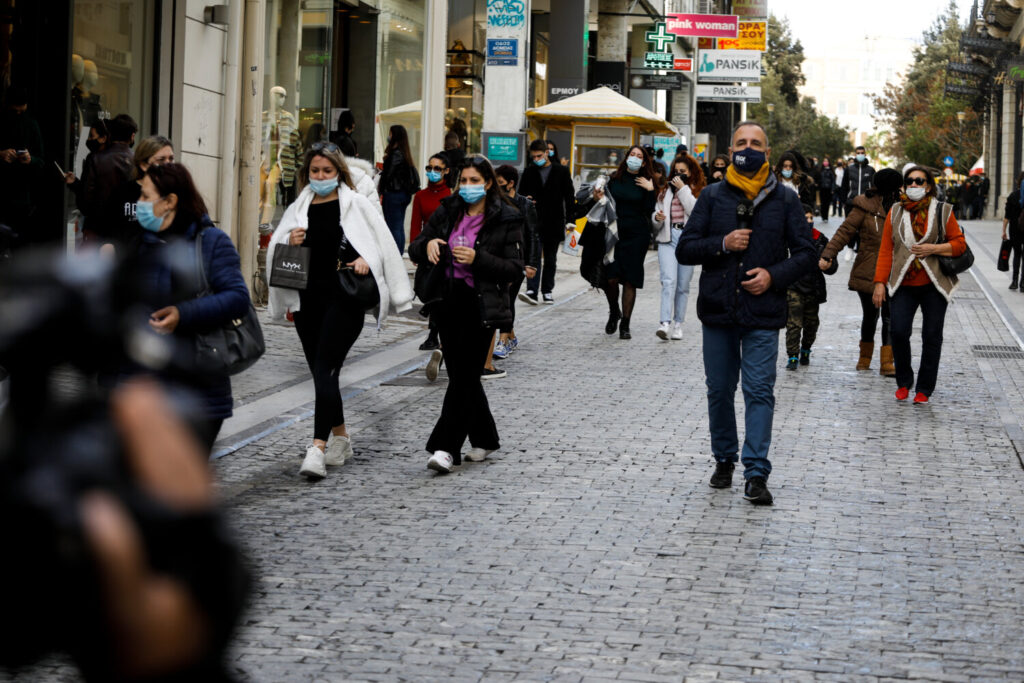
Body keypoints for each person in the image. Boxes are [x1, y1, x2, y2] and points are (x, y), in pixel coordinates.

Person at [677, 121, 817, 505]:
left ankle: (756, 472)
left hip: (764, 312)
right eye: (741, 142)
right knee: (719, 391)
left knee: (759, 392)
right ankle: (725, 458)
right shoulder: (712, 196)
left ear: (767, 153)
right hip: (719, 311)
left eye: (756, 143)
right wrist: (723, 243)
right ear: (731, 147)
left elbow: (807, 254)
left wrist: (773, 276)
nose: (748, 148)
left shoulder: (786, 200)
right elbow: (685, 249)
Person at [268, 142, 413, 479]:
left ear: (338, 172)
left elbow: (382, 245)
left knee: (323, 368)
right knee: (323, 374)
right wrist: (289, 241)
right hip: (307, 300)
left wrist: (366, 260)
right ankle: (341, 438)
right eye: (315, 171)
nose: (320, 177)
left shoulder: (356, 205)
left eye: (327, 171)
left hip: (344, 298)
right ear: (307, 173)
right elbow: (277, 247)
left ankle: (317, 448)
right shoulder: (298, 208)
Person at [408, 155, 524, 474]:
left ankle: (445, 448)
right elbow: (415, 246)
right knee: (463, 376)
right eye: (464, 181)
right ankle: (485, 438)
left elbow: (514, 268)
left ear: (488, 183)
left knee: (464, 376)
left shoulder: (507, 217)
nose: (468, 187)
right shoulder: (448, 210)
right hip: (447, 299)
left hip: (482, 303)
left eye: (475, 181)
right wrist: (429, 243)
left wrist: (478, 258)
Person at [130, 163, 251, 453]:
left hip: (199, 390)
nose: (139, 204)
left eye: (146, 197)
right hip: (147, 388)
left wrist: (183, 314)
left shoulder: (211, 242)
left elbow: (237, 297)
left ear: (170, 201)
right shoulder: (138, 245)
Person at [872, 166, 966, 404]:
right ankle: (904, 381)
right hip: (903, 283)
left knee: (932, 336)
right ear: (904, 186)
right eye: (910, 182)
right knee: (899, 332)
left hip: (934, 284)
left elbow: (959, 244)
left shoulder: (943, 211)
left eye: (919, 181)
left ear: (929, 186)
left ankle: (924, 388)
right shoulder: (895, 212)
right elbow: (886, 251)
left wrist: (934, 248)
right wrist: (879, 283)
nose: (914, 185)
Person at [820, 168, 902, 374]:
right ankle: (864, 357)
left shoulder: (904, 206)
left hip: (895, 269)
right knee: (871, 315)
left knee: (891, 316)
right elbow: (845, 231)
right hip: (868, 267)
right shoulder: (864, 204)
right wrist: (829, 253)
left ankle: (887, 362)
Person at [598, 145, 657, 340]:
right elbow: (604, 203)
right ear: (627, 157)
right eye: (633, 154)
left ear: (644, 161)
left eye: (639, 156)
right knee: (611, 278)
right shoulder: (615, 178)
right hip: (615, 233)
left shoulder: (646, 181)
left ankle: (625, 324)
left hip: (637, 234)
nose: (635, 158)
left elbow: (650, 210)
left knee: (630, 280)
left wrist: (650, 190)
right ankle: (614, 311)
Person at [651, 154, 702, 340]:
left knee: (682, 285)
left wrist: (683, 189)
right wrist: (656, 218)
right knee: (668, 281)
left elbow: (695, 212)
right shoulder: (665, 191)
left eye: (683, 172)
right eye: (676, 172)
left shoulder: (696, 190)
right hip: (668, 238)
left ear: (691, 173)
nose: (679, 175)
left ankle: (678, 324)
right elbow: (657, 212)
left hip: (687, 240)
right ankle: (664, 323)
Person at [518, 138, 575, 305]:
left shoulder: (561, 171)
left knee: (550, 258)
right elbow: (521, 194)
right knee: (533, 256)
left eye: (539, 156)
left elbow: (569, 197)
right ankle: (532, 290)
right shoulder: (529, 172)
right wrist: (526, 200)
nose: (536, 159)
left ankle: (547, 290)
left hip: (554, 220)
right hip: (533, 221)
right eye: (533, 157)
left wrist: (571, 220)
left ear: (547, 153)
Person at [493, 164, 540, 359]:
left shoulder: (525, 205)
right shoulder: (493, 202)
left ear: (511, 183)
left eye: (500, 183)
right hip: (496, 257)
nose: (496, 186)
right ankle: (510, 336)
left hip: (517, 259)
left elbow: (533, 236)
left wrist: (531, 263)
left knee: (507, 297)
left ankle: (503, 340)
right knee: (500, 298)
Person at [785, 204, 839, 369]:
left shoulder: (821, 239)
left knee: (811, 323)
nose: (808, 221)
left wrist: (828, 265)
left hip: (813, 288)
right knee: (794, 323)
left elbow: (833, 264)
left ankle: (806, 349)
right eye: (805, 218)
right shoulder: (788, 238)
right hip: (793, 287)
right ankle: (793, 356)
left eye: (810, 218)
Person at [411, 151, 452, 351]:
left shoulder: (450, 197)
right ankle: (434, 333)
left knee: (440, 292)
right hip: (426, 245)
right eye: (430, 168)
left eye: (437, 168)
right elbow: (415, 224)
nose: (433, 172)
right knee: (427, 291)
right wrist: (415, 249)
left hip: (443, 249)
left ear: (446, 171)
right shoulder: (420, 195)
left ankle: (434, 334)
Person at [104, 135, 174, 248]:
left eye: (171, 159)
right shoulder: (122, 192)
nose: (168, 164)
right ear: (143, 165)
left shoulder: (178, 194)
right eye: (161, 160)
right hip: (126, 263)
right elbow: (106, 233)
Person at [79, 114, 138, 245]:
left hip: (98, 230)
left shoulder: (96, 159)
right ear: (132, 136)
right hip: (128, 231)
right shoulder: (139, 161)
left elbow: (85, 201)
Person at [0, 85, 44, 248]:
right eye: (14, 111)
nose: (18, 114)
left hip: (24, 199)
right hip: (4, 196)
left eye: (22, 111)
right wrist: (1, 154)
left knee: (20, 247)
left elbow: (41, 161)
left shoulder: (31, 125)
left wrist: (30, 159)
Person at [378, 124, 420, 254]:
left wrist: (380, 190)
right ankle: (399, 255)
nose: (388, 137)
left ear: (395, 136)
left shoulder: (396, 154)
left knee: (393, 228)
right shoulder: (404, 153)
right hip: (403, 194)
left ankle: (395, 256)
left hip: (393, 194)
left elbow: (388, 175)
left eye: (390, 134)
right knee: (398, 227)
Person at [1002, 171, 1024, 290]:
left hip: (1015, 228)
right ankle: (1023, 283)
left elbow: (1007, 216)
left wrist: (1004, 231)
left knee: (1017, 254)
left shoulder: (1013, 196)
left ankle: (1014, 281)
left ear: (1018, 182)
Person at [840, 145, 875, 212]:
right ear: (855, 155)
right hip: (851, 203)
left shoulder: (871, 170)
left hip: (866, 204)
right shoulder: (849, 170)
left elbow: (874, 187)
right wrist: (845, 201)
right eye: (858, 153)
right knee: (850, 222)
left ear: (865, 154)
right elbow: (844, 187)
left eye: (862, 153)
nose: (860, 155)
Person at [816, 157, 835, 221]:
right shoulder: (820, 170)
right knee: (822, 203)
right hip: (822, 189)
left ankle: (826, 217)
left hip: (828, 189)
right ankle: (823, 215)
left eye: (826, 161)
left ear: (829, 162)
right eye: (824, 161)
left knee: (827, 203)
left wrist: (832, 189)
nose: (825, 162)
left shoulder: (831, 171)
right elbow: (818, 179)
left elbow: (833, 181)